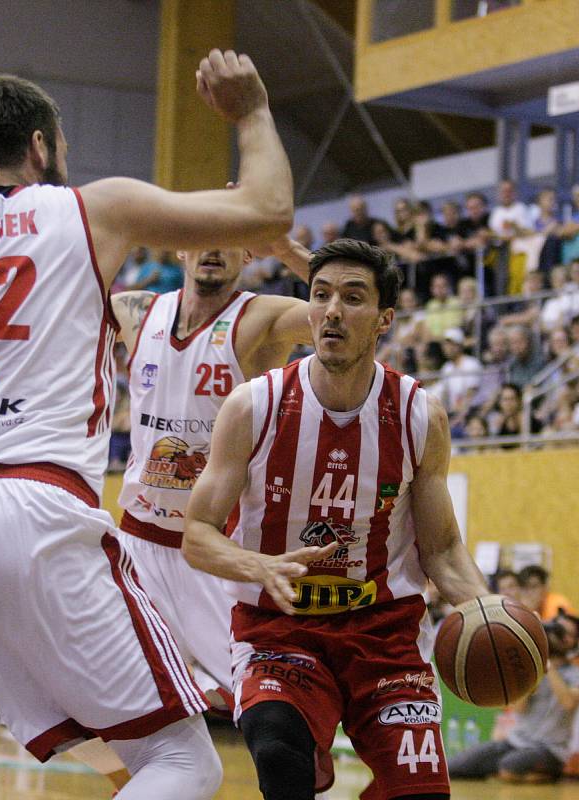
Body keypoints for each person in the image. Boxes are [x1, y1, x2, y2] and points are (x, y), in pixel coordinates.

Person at [0, 50, 294, 800]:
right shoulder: (93, 207)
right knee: (180, 764)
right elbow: (267, 211)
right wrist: (253, 111)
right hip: (30, 507)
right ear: (40, 145)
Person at [183, 238, 490, 800]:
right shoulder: (255, 405)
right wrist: (258, 564)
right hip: (280, 627)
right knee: (280, 755)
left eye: (352, 298)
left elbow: (442, 551)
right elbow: (197, 535)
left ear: (383, 320)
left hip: (384, 630)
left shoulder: (421, 414)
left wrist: (486, 611)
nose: (331, 310)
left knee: (420, 793)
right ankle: (307, 737)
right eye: (320, 295)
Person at [109, 230, 314, 711]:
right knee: (110, 705)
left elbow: (353, 314)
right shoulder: (136, 310)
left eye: (232, 240)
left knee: (278, 713)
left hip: (217, 549)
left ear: (248, 254)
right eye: (203, 236)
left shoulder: (258, 316)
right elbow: (44, 293)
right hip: (138, 541)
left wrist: (285, 250)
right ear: (181, 246)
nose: (215, 249)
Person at [449, 611, 579, 783]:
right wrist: (534, 664)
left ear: (572, 642)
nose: (555, 635)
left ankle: (548, 774)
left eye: (563, 632)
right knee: (454, 767)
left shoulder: (578, 673)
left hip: (550, 749)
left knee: (509, 767)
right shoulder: (535, 670)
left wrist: (547, 664)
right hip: (515, 742)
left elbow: (568, 703)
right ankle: (503, 772)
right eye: (555, 629)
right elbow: (519, 708)